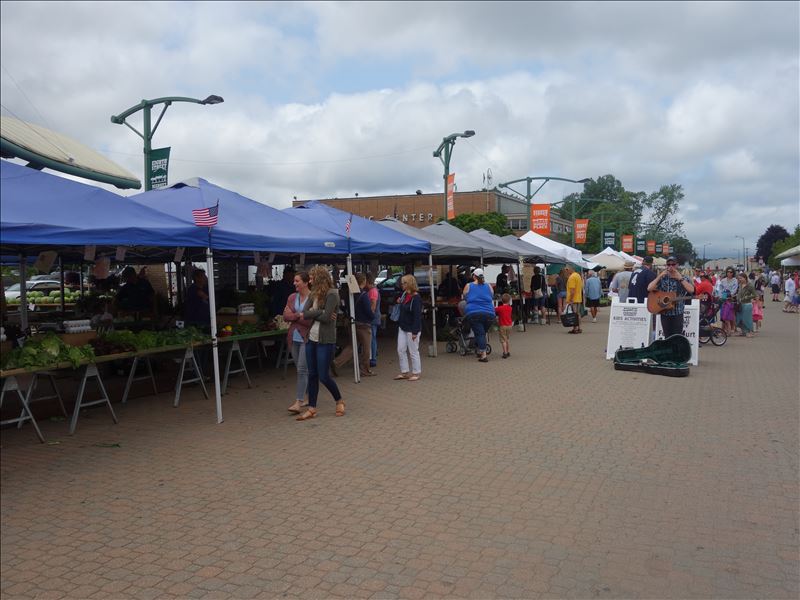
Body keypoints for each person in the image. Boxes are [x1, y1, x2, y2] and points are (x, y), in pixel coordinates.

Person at [295, 266, 343, 421]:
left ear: (319, 278)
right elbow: (304, 313)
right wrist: (320, 313)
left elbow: (327, 317)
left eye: (312, 277)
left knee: (323, 375)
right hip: (311, 338)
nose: (310, 280)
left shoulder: (332, 294)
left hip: (325, 339)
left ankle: (339, 400)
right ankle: (312, 408)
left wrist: (316, 314)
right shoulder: (313, 294)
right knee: (312, 374)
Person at [332, 273, 375, 378]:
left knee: (352, 346)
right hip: (364, 324)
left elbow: (344, 308)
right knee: (366, 348)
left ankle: (336, 362)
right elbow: (368, 312)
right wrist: (372, 315)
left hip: (352, 323)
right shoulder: (364, 295)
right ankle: (365, 369)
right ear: (363, 281)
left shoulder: (349, 295)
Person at [283, 271, 312, 414]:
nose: (294, 283)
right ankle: (308, 396)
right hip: (293, 337)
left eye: (297, 281)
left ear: (306, 283)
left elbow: (310, 320)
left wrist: (295, 317)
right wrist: (298, 315)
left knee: (301, 369)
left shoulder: (313, 298)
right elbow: (285, 316)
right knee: (301, 369)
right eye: (294, 281)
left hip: (306, 337)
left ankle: (298, 402)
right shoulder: (292, 297)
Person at [647, 256, 695, 339]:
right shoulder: (663, 278)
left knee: (677, 338)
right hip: (665, 313)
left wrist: (680, 279)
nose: (670, 266)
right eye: (668, 264)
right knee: (667, 338)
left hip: (678, 313)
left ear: (677, 265)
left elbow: (691, 290)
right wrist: (659, 276)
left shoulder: (683, 277)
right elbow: (649, 288)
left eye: (673, 264)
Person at [462, 268, 496, 362]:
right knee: (481, 333)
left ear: (474, 276)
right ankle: (479, 349)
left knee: (480, 333)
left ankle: (483, 355)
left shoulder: (468, 285)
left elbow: (464, 297)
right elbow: (491, 296)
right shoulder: (488, 286)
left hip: (474, 313)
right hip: (489, 314)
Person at [394, 274, 423, 381]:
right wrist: (398, 302)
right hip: (402, 327)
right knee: (400, 349)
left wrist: (415, 331)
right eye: (402, 283)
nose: (402, 285)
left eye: (404, 283)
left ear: (410, 283)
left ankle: (416, 372)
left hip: (412, 328)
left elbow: (417, 316)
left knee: (413, 351)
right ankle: (404, 371)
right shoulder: (404, 294)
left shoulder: (416, 298)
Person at [366, 272, 381, 369]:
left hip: (373, 318)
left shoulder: (373, 291)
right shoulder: (373, 290)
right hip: (374, 317)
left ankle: (373, 359)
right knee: (372, 338)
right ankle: (373, 355)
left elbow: (373, 306)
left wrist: (368, 316)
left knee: (372, 338)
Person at [718, 268, 739, 333]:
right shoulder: (723, 280)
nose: (729, 273)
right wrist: (721, 296)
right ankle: (723, 328)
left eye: (731, 272)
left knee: (732, 315)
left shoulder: (735, 280)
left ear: (733, 273)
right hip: (724, 299)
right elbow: (720, 289)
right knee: (724, 314)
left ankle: (733, 328)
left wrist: (729, 295)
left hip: (731, 299)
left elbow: (734, 289)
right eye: (728, 272)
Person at [564, 266, 583, 334]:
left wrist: (570, 299)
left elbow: (572, 290)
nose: (566, 271)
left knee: (574, 315)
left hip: (574, 299)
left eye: (566, 270)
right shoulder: (578, 275)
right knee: (578, 314)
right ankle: (579, 328)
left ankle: (575, 328)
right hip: (578, 298)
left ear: (570, 269)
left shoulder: (571, 277)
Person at [494, 293, 513, 359]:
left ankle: (505, 353)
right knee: (506, 339)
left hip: (502, 325)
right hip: (509, 325)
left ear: (501, 300)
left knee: (503, 340)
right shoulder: (510, 308)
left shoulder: (500, 308)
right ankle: (507, 351)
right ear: (509, 300)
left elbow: (494, 310)